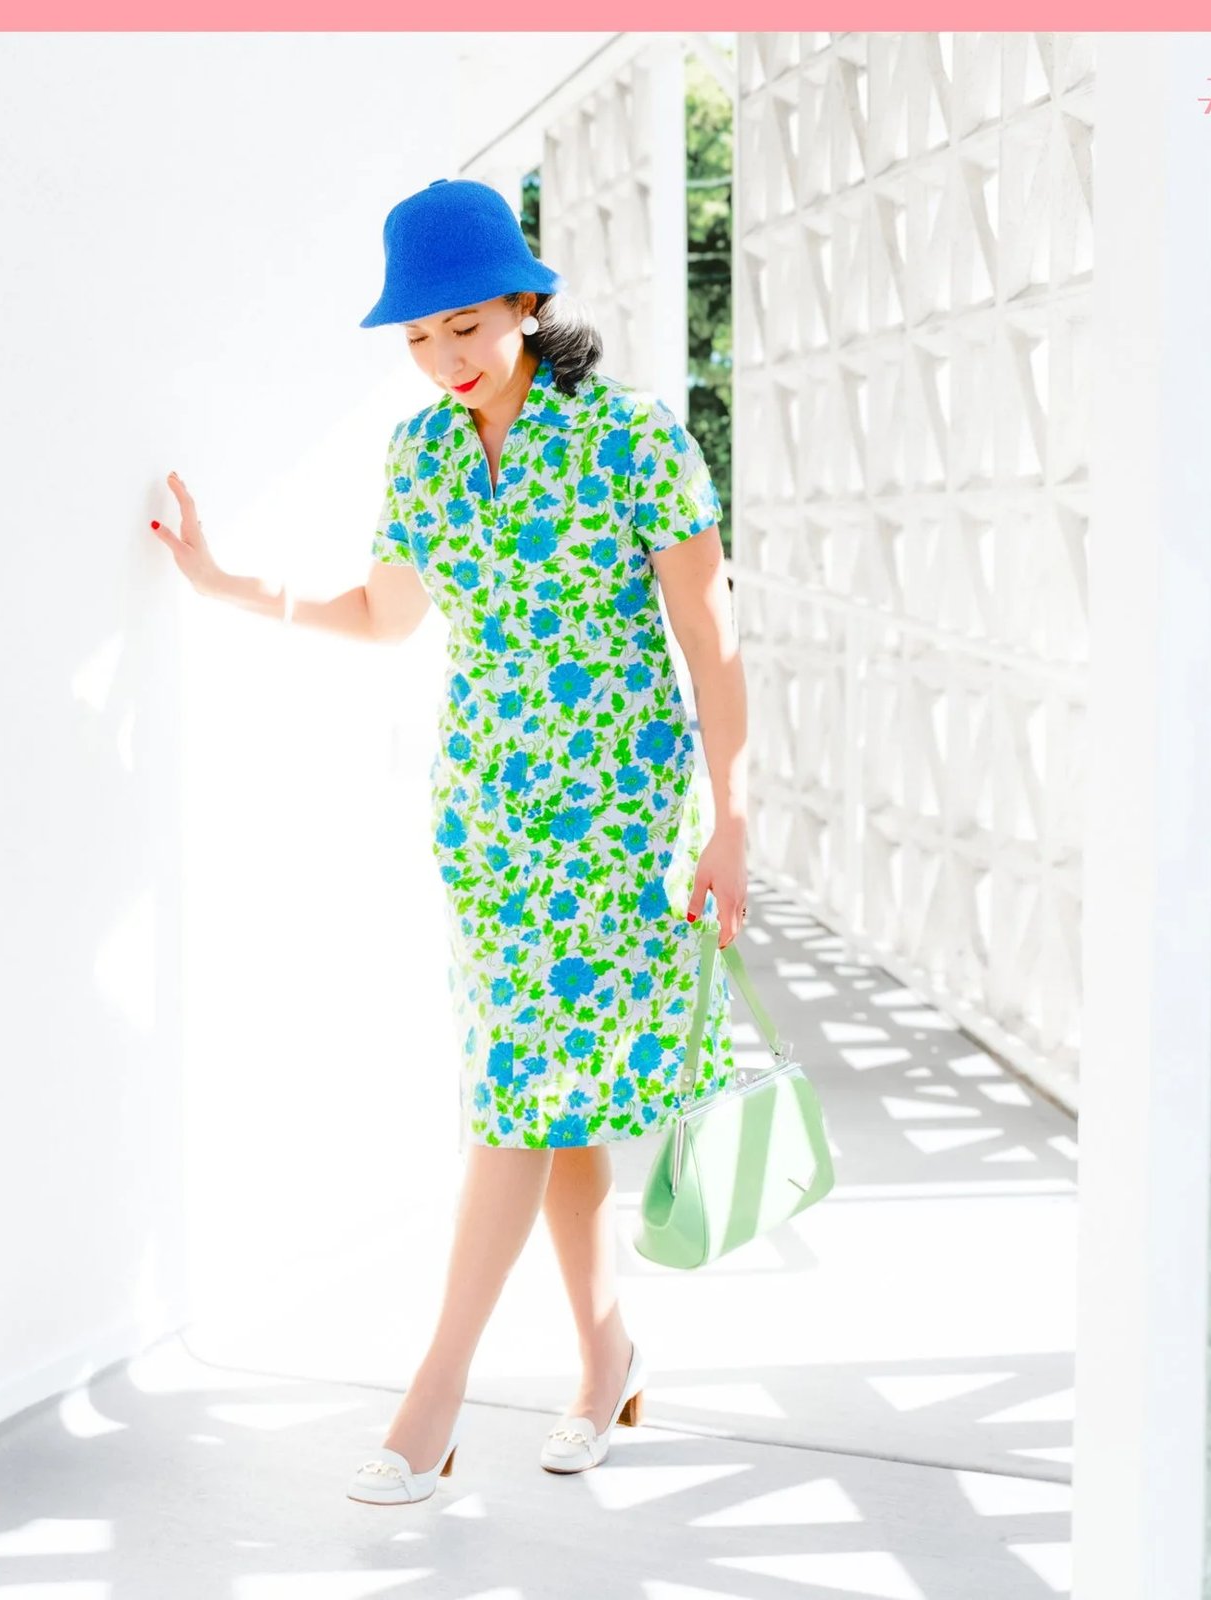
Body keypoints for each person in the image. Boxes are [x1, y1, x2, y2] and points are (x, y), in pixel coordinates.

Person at [146, 177, 752, 1506]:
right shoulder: (421, 456)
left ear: (528, 301)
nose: (444, 359)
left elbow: (710, 646)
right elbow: (382, 614)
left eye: (465, 326)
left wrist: (735, 818)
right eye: (418, 338)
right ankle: (605, 1356)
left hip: (614, 817)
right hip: (484, 817)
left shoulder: (638, 439)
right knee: (551, 1094)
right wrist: (222, 580)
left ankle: (436, 1399)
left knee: (520, 1093)